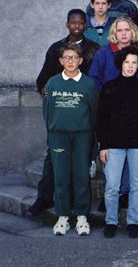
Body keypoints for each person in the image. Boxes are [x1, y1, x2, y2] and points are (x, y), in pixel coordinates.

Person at [28, 9, 100, 218]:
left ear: (86, 25)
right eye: (73, 23)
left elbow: (93, 83)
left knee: (80, 165)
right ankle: (44, 198)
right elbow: (42, 79)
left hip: (81, 116)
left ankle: (79, 210)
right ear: (67, 24)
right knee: (53, 159)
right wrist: (51, 97)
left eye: (80, 23)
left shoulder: (93, 49)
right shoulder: (56, 49)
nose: (77, 26)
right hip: (61, 114)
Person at [98, 46, 138, 239]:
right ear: (120, 63)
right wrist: (103, 145)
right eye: (127, 62)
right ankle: (111, 221)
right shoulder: (109, 88)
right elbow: (102, 119)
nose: (130, 66)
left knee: (137, 185)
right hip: (113, 144)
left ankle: (133, 222)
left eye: (134, 62)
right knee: (112, 185)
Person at [43, 44, 98, 236]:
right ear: (60, 61)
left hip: (82, 135)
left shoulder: (88, 84)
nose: (70, 61)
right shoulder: (52, 83)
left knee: (81, 176)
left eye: (74, 57)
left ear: (81, 60)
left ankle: (82, 217)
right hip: (59, 136)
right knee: (61, 177)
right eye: (66, 58)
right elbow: (47, 112)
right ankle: (63, 216)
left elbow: (94, 113)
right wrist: (52, 133)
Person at [88, 16, 138, 92]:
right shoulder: (104, 52)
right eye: (119, 30)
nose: (123, 33)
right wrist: (104, 95)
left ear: (132, 32)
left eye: (127, 30)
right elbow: (94, 77)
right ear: (114, 33)